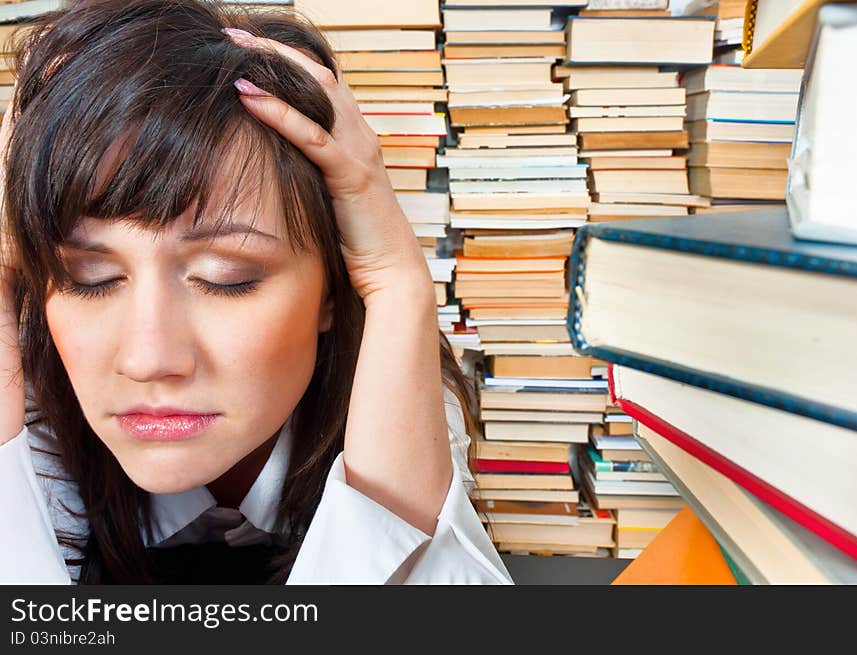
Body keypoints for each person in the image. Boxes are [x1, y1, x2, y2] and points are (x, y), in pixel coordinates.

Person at [0, 0, 513, 585]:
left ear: (332, 290)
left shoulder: (390, 389)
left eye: (226, 278)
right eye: (89, 279)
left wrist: (399, 286)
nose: (148, 360)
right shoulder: (33, 387)